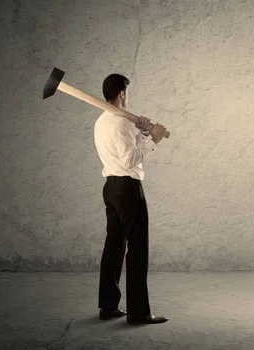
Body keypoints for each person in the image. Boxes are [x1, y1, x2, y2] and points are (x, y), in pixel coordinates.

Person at [93, 73, 168, 324]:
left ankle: (108, 306)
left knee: (113, 247)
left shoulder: (102, 122)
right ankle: (138, 313)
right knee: (137, 249)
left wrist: (144, 132)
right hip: (127, 188)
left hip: (111, 188)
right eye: (128, 92)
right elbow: (129, 160)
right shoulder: (120, 122)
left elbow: (126, 148)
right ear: (122, 93)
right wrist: (154, 140)